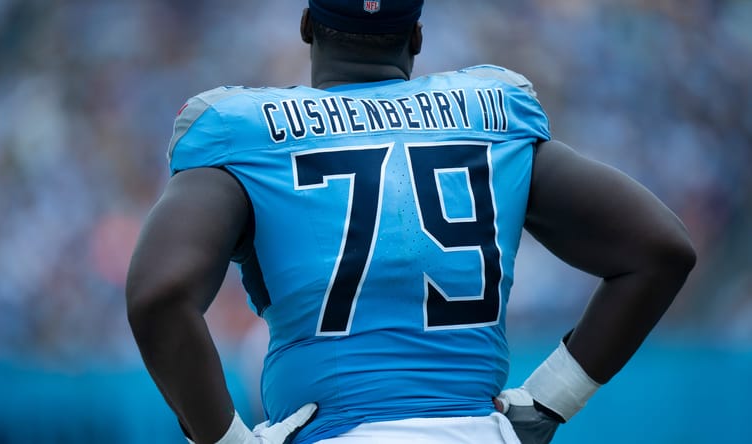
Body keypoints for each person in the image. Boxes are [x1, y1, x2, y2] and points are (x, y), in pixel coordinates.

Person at [125, 1, 697, 443]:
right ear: (416, 36)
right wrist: (552, 398)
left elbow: (159, 294)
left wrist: (225, 439)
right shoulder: (492, 115)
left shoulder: (240, 129)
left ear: (307, 26)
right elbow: (660, 249)